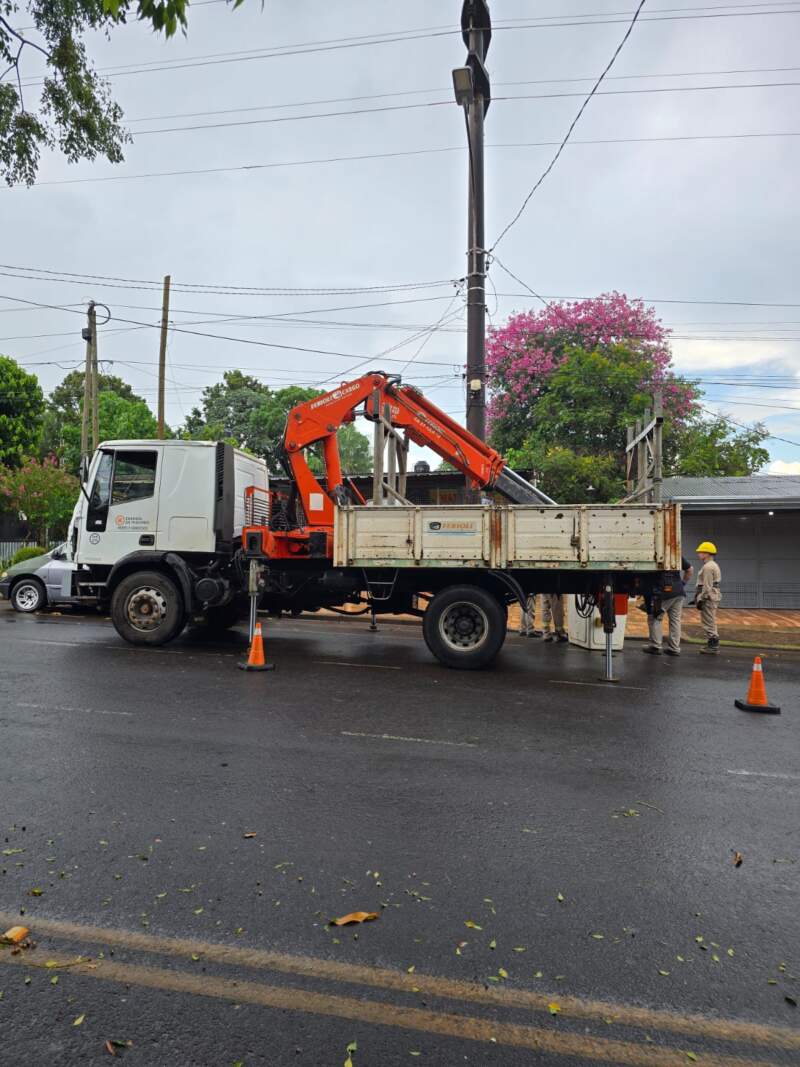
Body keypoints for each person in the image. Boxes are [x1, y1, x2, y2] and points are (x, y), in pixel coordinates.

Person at [642, 556, 693, 656]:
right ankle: (674, 648)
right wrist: (682, 583)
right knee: (675, 620)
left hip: (664, 592)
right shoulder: (674, 553)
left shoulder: (655, 554)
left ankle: (655, 646)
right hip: (679, 592)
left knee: (655, 617)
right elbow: (690, 569)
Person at [695, 541, 722, 654]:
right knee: (710, 620)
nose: (698, 553)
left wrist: (702, 598)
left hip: (708, 596)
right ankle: (712, 644)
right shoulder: (712, 565)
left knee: (708, 621)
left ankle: (713, 646)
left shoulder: (708, 567)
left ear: (707, 553)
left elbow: (707, 586)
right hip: (712, 595)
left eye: (701, 552)